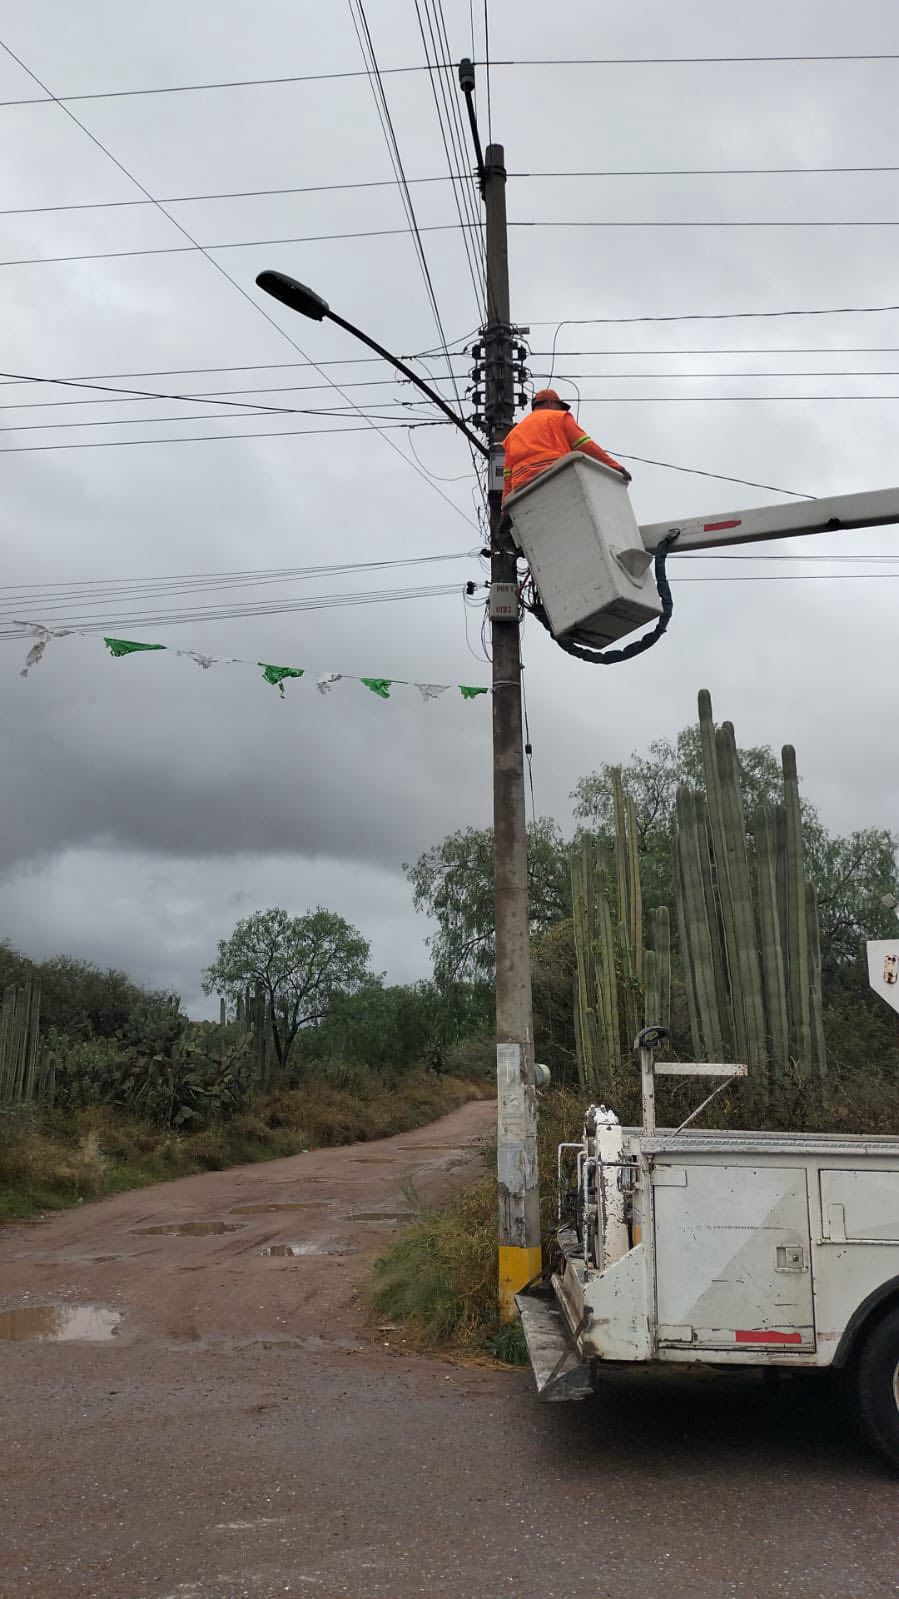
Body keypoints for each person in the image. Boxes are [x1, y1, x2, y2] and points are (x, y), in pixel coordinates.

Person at [502, 388, 631, 503]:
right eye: (560, 406)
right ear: (551, 403)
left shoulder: (512, 435)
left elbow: (507, 476)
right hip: (555, 476)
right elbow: (585, 445)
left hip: (523, 490)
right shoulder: (560, 417)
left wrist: (505, 509)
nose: (561, 410)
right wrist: (615, 466)